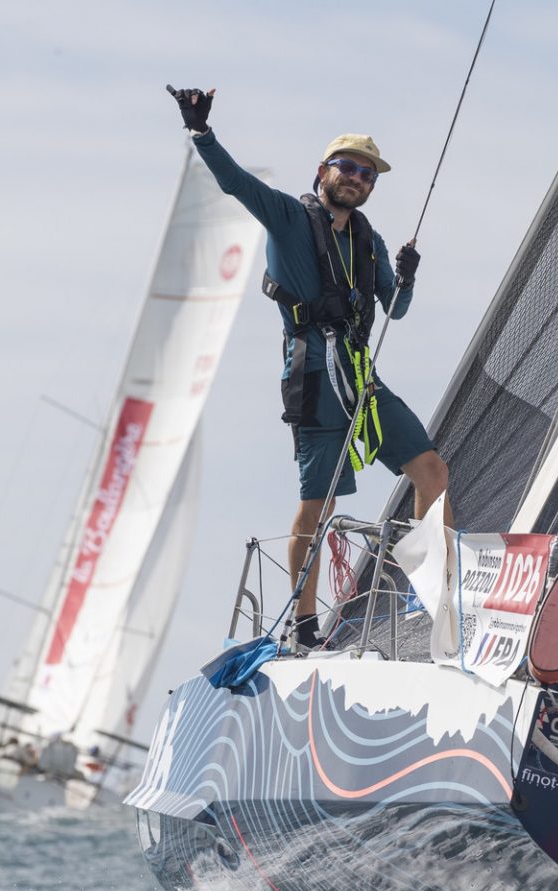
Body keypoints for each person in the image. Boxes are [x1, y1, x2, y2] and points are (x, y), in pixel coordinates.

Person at [168, 85, 451, 650]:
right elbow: (235, 184)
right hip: (316, 381)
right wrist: (202, 133)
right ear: (324, 170)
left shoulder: (369, 244)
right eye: (348, 168)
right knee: (316, 508)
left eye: (368, 175)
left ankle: (435, 594)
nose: (357, 179)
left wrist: (408, 274)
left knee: (431, 470)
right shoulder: (290, 217)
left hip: (361, 381)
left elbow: (396, 308)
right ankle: (302, 623)